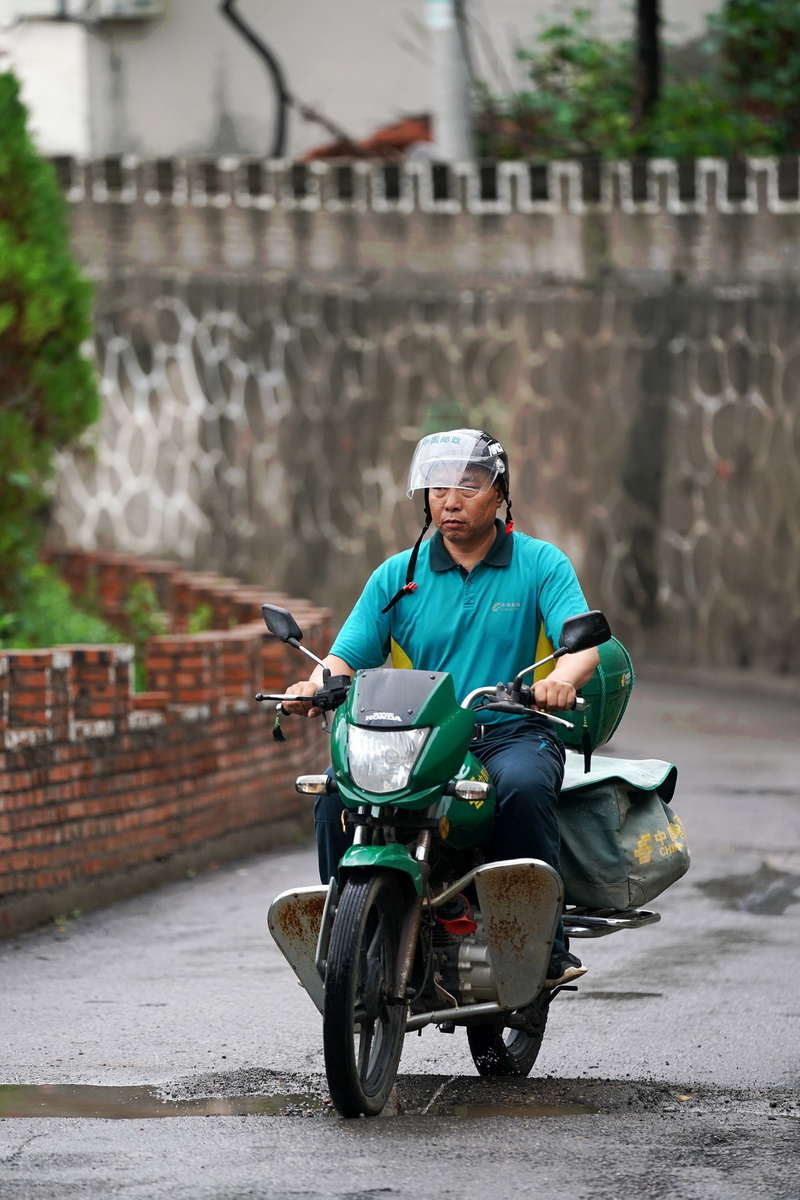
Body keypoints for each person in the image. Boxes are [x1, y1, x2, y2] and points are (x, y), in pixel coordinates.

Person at [283, 428, 600, 987]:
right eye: (438, 489)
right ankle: (350, 935)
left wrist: (560, 681)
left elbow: (584, 648)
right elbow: (345, 656)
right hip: (421, 739)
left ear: (500, 493)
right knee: (339, 794)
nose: (450, 501)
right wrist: (314, 685)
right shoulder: (397, 575)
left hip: (511, 731)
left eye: (468, 487)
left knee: (524, 788)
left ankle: (538, 944)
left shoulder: (540, 564)